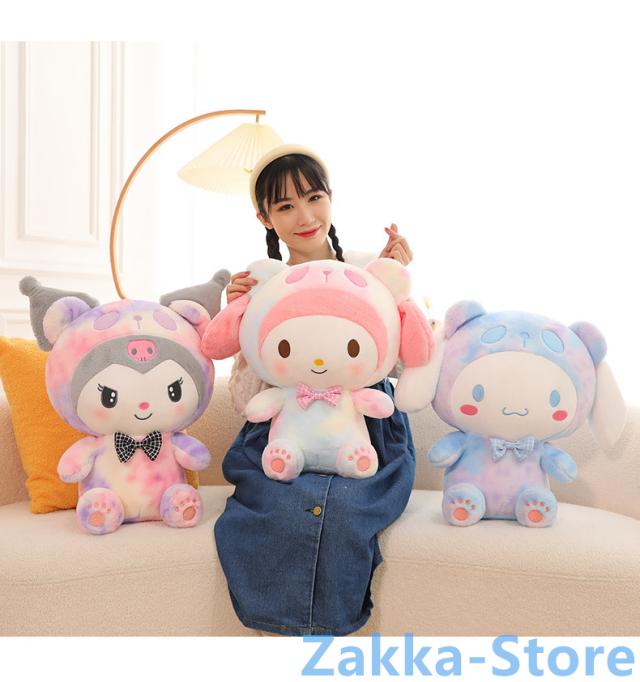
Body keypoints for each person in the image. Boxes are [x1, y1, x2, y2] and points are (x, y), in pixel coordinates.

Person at [214, 144, 417, 635]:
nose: (305, 217)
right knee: (280, 507)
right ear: (264, 217)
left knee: (345, 508)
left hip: (365, 430)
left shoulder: (369, 270)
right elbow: (244, 399)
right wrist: (241, 319)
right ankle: (280, 626)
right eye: (285, 206)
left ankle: (329, 631)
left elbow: (405, 363)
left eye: (313, 198)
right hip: (284, 429)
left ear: (330, 197)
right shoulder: (262, 286)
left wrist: (397, 287)